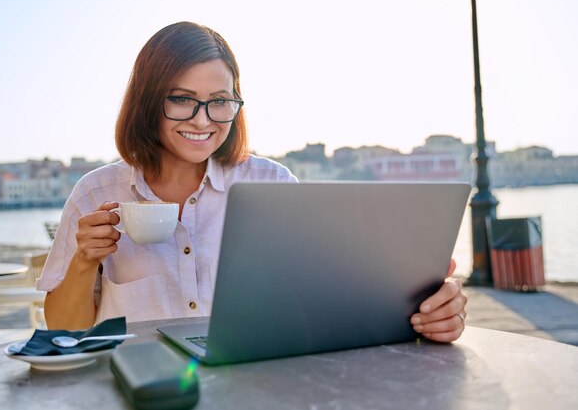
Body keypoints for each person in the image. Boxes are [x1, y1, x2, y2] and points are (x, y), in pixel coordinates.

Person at [38, 21, 467, 343]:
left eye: (220, 102)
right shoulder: (96, 193)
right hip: (135, 389)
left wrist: (427, 307)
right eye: (182, 99)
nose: (203, 120)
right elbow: (62, 329)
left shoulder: (271, 183)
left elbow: (328, 298)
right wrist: (83, 262)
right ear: (148, 102)